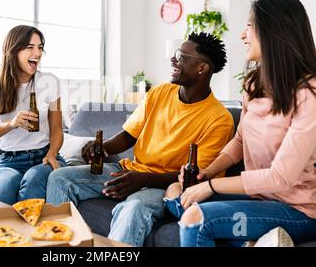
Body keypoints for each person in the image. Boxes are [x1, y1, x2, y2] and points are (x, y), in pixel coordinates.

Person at [46, 32, 234, 246]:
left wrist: (142, 179)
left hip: (166, 185)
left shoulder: (219, 119)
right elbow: (128, 136)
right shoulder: (160, 92)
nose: (173, 59)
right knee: (60, 179)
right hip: (130, 170)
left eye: (181, 56)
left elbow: (196, 177)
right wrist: (101, 147)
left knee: (133, 209)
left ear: (202, 68)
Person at [164, 0, 316, 247]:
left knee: (194, 218)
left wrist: (212, 186)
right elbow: (239, 140)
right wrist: (207, 172)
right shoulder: (253, 84)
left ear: (273, 32)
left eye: (249, 26)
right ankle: (254, 242)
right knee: (176, 194)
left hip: (298, 209)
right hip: (258, 201)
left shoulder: (309, 94)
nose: (242, 35)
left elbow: (281, 177)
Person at [0, 25, 65, 205]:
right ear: (13, 50)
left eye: (40, 48)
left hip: (44, 157)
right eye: (30, 47)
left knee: (33, 180)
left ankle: (30, 232)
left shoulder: (49, 82)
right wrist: (11, 124)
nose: (37, 53)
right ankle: (4, 233)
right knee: (3, 189)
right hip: (11, 160)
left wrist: (53, 153)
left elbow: (57, 129)